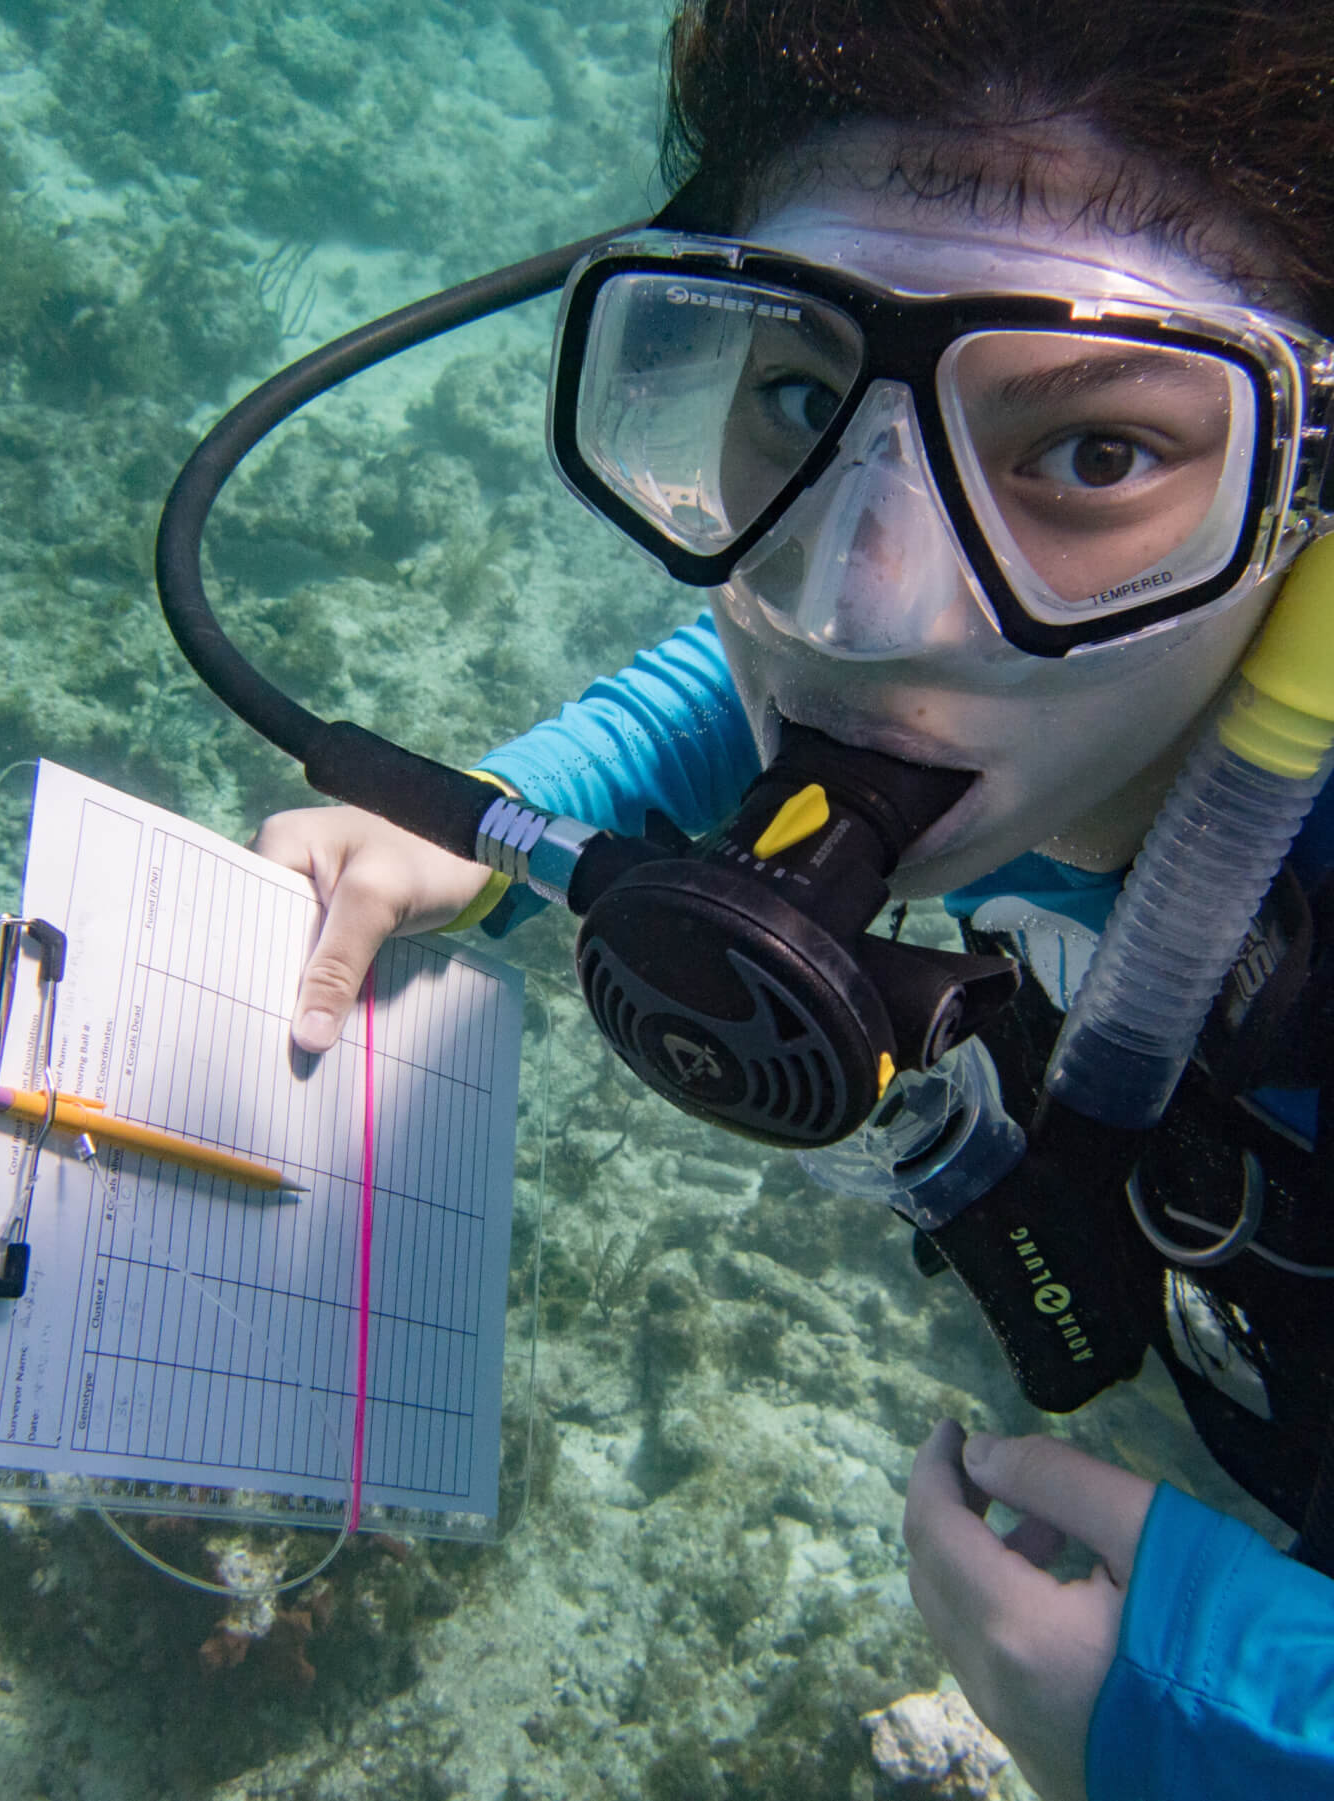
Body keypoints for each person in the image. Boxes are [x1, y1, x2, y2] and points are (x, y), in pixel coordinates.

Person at [253, 3, 1334, 1795]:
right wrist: (525, 808)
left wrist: (1243, 1716)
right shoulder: (986, 677)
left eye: (1093, 453)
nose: (852, 602)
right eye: (805, 399)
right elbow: (750, 667)